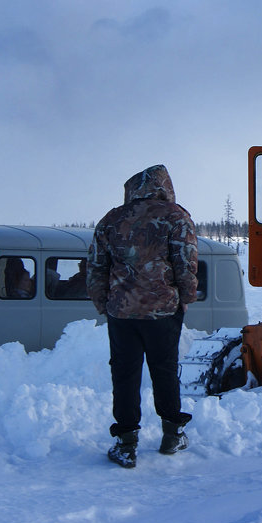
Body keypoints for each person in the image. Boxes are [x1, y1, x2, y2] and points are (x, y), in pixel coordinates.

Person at [88, 164, 199, 469]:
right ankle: (172, 434)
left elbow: (96, 267)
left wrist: (103, 303)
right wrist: (185, 298)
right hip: (163, 311)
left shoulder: (112, 219)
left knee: (124, 375)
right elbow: (185, 264)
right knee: (165, 370)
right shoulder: (176, 216)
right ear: (164, 185)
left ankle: (126, 443)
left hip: (121, 313)